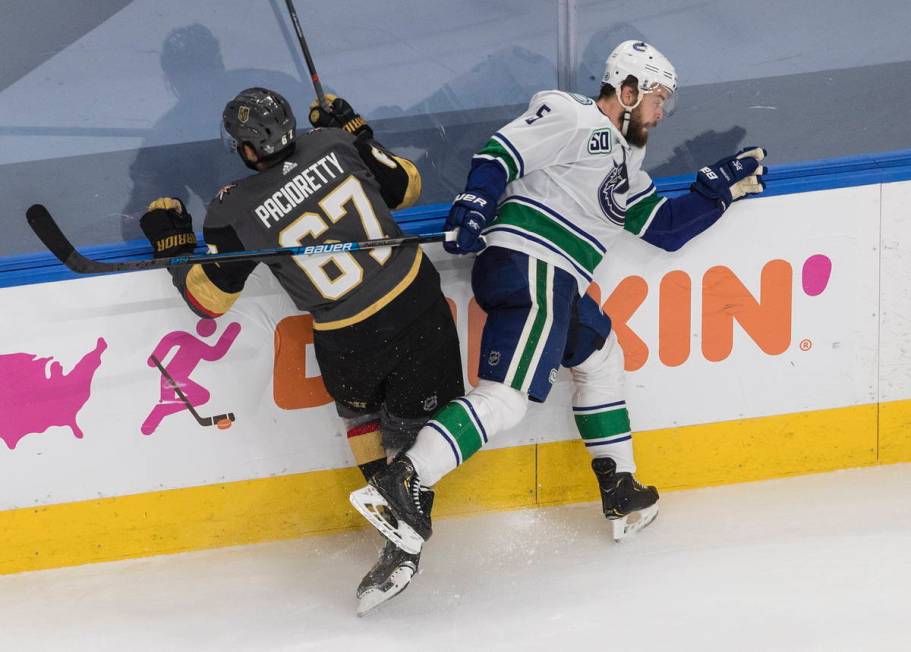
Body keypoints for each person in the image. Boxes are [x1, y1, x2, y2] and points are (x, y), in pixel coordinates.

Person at [350, 41, 766, 553]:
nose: (661, 114)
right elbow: (500, 153)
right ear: (629, 90)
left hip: (557, 279)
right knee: (505, 397)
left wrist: (716, 194)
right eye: (659, 99)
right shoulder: (572, 114)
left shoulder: (629, 159)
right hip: (531, 264)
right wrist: (476, 201)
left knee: (600, 355)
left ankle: (622, 486)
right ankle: (404, 481)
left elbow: (664, 228)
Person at [138, 88, 464, 615]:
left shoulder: (231, 209)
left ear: (244, 149)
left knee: (361, 413)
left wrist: (172, 248)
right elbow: (407, 187)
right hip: (415, 304)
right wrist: (357, 130)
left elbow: (210, 298)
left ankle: (401, 536)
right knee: (415, 429)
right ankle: (405, 523)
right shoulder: (334, 142)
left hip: (347, 336)